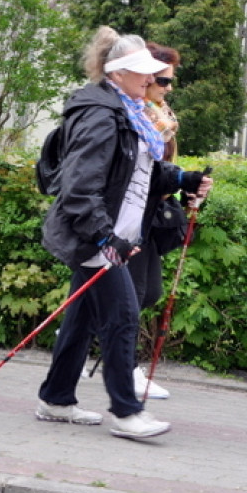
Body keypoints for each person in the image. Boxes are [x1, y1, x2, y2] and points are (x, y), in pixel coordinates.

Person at [36, 26, 210, 439]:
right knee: (122, 316)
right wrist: (104, 237)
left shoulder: (128, 111)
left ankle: (56, 399)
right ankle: (127, 412)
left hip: (113, 235)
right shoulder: (101, 115)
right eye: (143, 71)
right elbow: (80, 187)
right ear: (117, 73)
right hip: (98, 238)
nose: (151, 79)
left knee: (82, 320)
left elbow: (137, 173)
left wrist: (182, 178)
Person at [127, 42, 182, 400]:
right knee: (132, 295)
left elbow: (162, 168)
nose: (168, 88)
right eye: (162, 81)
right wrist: (179, 180)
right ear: (145, 78)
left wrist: (185, 182)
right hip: (130, 215)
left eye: (170, 81)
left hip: (149, 213)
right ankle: (126, 368)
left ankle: (78, 337)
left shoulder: (161, 117)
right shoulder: (136, 117)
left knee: (149, 292)